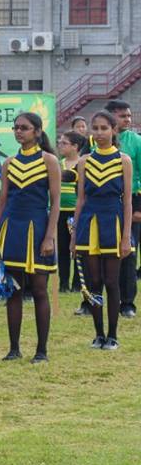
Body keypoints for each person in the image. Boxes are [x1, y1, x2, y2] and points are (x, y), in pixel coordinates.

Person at [0, 112, 59, 364]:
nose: (19, 132)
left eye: (24, 128)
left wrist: (50, 236)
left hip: (37, 227)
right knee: (13, 290)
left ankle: (41, 350)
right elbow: (1, 202)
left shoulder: (49, 160)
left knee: (40, 290)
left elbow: (55, 203)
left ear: (37, 131)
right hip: (12, 229)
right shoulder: (9, 163)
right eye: (16, 128)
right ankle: (14, 348)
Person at [75, 112, 132, 350]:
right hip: (89, 223)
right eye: (95, 128)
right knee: (93, 281)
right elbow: (80, 200)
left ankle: (113, 335)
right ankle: (98, 334)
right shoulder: (84, 161)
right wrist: (73, 235)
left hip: (114, 221)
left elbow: (127, 201)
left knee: (111, 281)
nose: (99, 133)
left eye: (103, 128)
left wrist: (126, 236)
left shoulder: (124, 160)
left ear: (113, 130)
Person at [111, 99, 141, 320]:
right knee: (99, 256)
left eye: (129, 116)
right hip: (102, 206)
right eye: (123, 116)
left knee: (129, 253)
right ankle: (91, 300)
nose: (128, 120)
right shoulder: (95, 142)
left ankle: (127, 303)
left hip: (132, 202)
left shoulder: (137, 142)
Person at [57, 130, 85, 296]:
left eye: (64, 143)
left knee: (78, 248)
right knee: (62, 248)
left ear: (75, 146)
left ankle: (77, 283)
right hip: (60, 213)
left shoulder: (83, 163)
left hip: (77, 213)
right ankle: (63, 282)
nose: (60, 145)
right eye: (60, 142)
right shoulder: (58, 164)